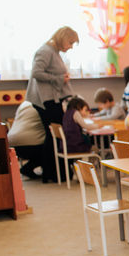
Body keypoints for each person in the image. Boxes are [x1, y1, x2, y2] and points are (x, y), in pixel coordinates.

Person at [25, 26, 78, 183]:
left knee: (53, 136)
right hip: (45, 100)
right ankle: (52, 172)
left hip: (51, 99)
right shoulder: (46, 51)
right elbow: (36, 73)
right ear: (63, 38)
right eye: (70, 43)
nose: (71, 47)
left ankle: (52, 172)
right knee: (55, 135)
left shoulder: (53, 52)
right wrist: (59, 79)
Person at [7, 101, 44, 179]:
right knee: (50, 148)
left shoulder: (24, 104)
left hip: (12, 142)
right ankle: (27, 168)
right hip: (30, 144)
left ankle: (27, 168)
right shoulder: (40, 104)